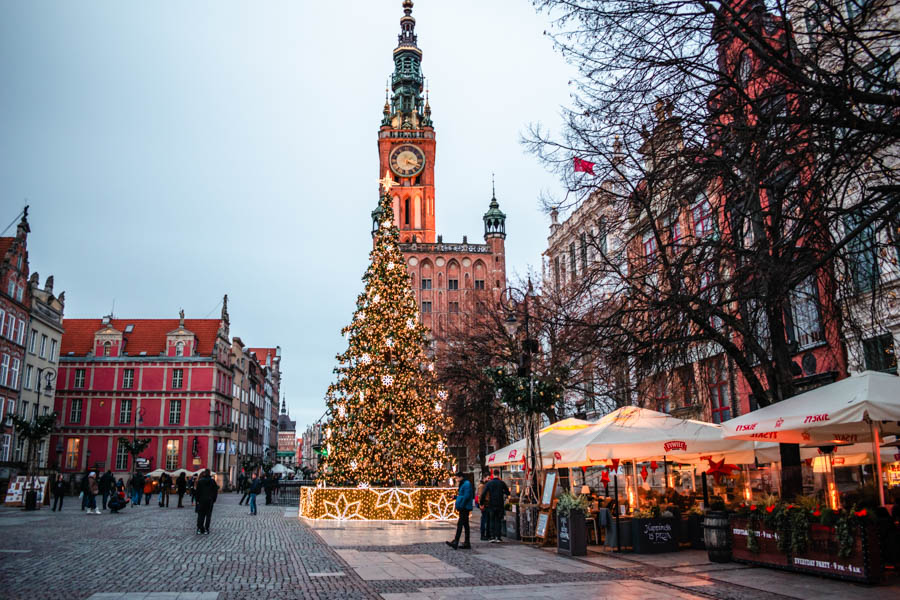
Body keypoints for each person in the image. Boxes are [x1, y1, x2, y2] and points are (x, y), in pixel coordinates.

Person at [446, 473, 474, 550]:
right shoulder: (464, 484)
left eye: (457, 478)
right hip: (464, 506)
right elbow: (463, 495)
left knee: (460, 524)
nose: (456, 480)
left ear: (461, 477)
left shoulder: (466, 484)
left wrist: (461, 505)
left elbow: (466, 496)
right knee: (465, 525)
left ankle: (456, 541)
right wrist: (455, 497)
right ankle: (466, 542)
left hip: (464, 507)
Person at [480, 475, 510, 542]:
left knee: (492, 520)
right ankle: (498, 537)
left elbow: (483, 493)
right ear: (498, 475)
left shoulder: (489, 483)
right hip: (500, 504)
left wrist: (481, 503)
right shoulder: (502, 483)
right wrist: (502, 492)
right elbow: (508, 492)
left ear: (493, 475)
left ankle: (492, 536)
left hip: (492, 504)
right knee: (498, 520)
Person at [194, 469, 219, 535]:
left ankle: (199, 528)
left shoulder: (200, 481)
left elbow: (197, 492)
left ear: (204, 473)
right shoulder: (212, 481)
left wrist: (197, 500)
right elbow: (215, 491)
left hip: (201, 500)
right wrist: (214, 499)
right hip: (209, 500)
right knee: (208, 515)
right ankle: (206, 529)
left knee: (200, 515)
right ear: (210, 473)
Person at [476, 475, 490, 541]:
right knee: (484, 520)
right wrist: (481, 504)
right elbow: (481, 496)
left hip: (485, 504)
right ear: (484, 478)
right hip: (484, 504)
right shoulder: (482, 486)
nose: (489, 479)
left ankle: (486, 534)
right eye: (488, 478)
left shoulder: (484, 485)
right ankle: (483, 535)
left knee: (486, 519)